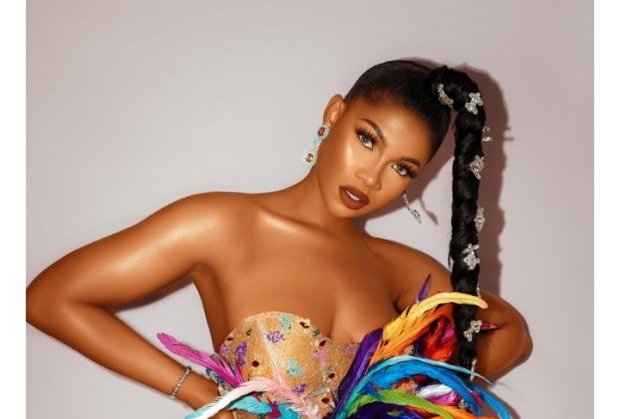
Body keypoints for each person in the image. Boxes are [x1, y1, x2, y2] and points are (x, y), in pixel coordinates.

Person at [26, 59, 531, 418]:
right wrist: (199, 393)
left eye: (402, 168)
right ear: (334, 113)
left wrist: (419, 403)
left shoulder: (403, 270)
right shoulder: (222, 224)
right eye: (367, 139)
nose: (371, 177)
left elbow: (510, 335)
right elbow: (49, 299)